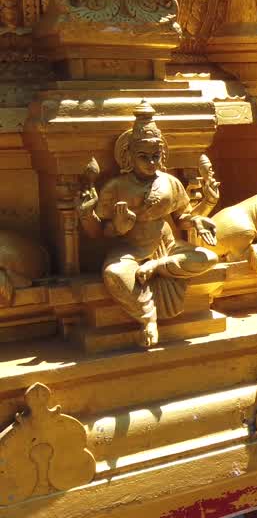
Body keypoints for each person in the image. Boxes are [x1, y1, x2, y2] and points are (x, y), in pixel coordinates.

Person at [80, 103, 218, 347]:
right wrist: (118, 226)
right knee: (114, 274)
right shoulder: (116, 186)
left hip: (168, 248)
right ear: (128, 156)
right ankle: (148, 318)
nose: (151, 162)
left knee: (209, 258)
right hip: (130, 250)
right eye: (143, 157)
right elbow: (99, 232)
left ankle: (158, 266)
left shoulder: (170, 183)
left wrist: (203, 210)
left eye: (156, 156)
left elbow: (183, 217)